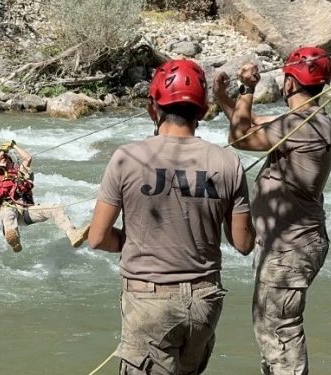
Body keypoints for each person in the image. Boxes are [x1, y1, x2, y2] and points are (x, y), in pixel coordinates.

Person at [88, 59, 256, 374]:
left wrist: (130, 240)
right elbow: (244, 243)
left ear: (154, 107)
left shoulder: (126, 158)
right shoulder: (228, 162)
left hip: (149, 302)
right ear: (203, 111)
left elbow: (96, 237)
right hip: (204, 303)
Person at [212, 46, 331, 374]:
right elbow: (250, 124)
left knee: (278, 331)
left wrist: (249, 89)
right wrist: (224, 97)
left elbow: (240, 137)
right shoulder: (307, 121)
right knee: (271, 326)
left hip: (291, 248)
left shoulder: (303, 126)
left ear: (290, 84)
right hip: (292, 244)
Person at [0, 140, 89, 252]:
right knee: (8, 214)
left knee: (54, 208)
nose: (4, 160)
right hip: (7, 207)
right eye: (2, 160)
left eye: (7, 159)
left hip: (26, 210)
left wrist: (14, 146)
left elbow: (28, 158)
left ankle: (72, 233)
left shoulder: (20, 173)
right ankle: (13, 238)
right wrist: (3, 151)